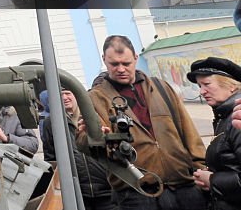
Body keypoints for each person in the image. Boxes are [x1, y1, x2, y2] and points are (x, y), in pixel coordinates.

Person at [82, 35, 207, 210]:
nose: (121, 69)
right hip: (136, 191)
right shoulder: (95, 98)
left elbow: (188, 130)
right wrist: (94, 135)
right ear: (104, 60)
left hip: (183, 185)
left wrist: (201, 167)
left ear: (135, 58)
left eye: (126, 63)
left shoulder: (161, 88)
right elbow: (82, 141)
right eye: (114, 64)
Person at [42, 87, 115, 210]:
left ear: (76, 95)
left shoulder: (94, 116)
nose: (65, 98)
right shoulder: (51, 123)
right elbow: (51, 157)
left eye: (67, 93)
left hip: (107, 188)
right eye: (60, 94)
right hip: (77, 192)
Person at [188, 57, 241, 210]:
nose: (202, 91)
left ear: (231, 86)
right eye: (199, 85)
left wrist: (212, 179)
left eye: (207, 84)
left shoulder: (236, 119)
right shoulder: (224, 116)